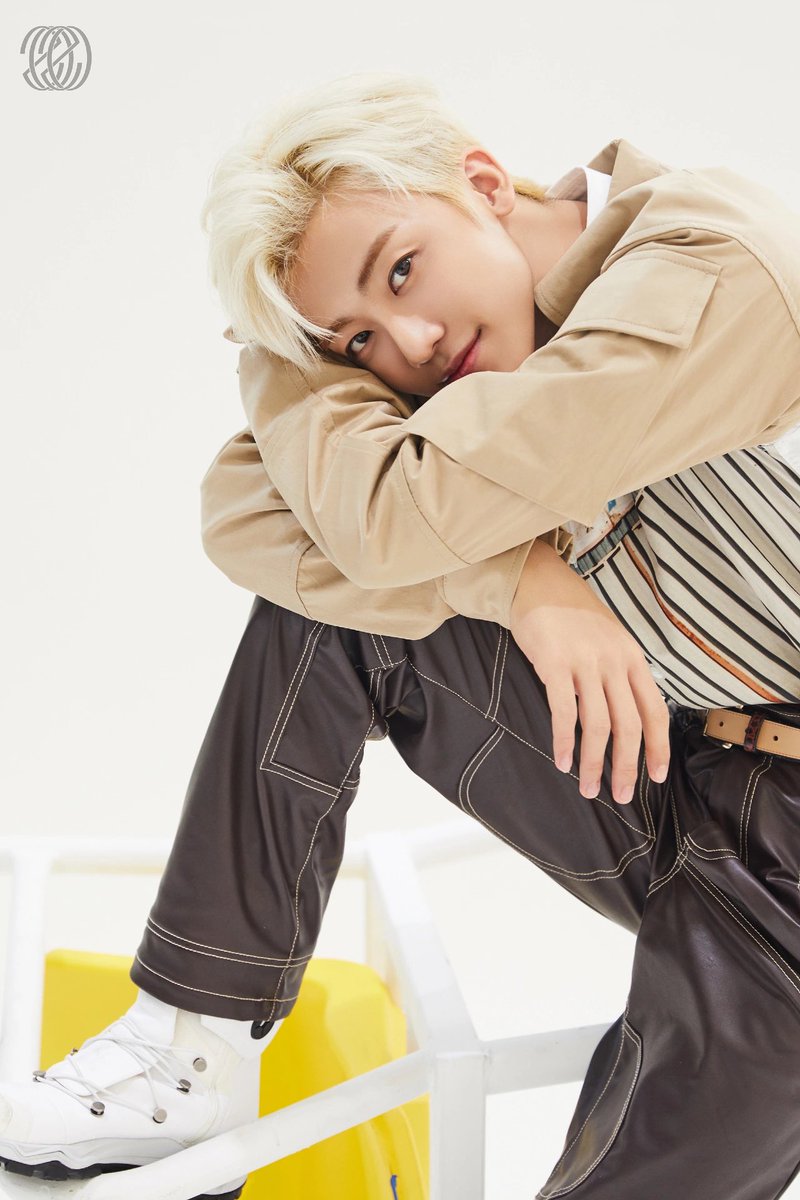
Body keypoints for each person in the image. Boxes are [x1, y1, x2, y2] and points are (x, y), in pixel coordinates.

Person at [2, 70, 800, 1200]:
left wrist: (287, 363)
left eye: (403, 269)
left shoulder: (715, 259)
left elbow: (387, 510)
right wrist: (522, 580)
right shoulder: (461, 368)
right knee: (333, 613)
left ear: (483, 181)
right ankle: (193, 1049)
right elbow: (242, 508)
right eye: (357, 340)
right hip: (661, 761)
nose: (412, 342)